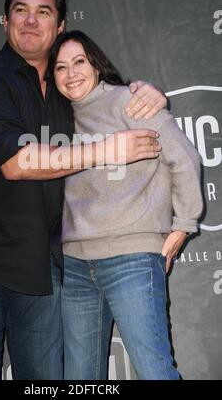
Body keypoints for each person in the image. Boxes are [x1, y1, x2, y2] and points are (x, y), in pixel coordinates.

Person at [0, 0, 166, 380]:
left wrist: (144, 92)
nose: (30, 20)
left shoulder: (68, 89)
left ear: (59, 25)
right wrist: (110, 150)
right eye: (20, 10)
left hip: (43, 266)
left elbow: (109, 101)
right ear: (5, 20)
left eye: (43, 12)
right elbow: (17, 162)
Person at [49, 30, 203, 380]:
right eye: (60, 67)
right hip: (74, 266)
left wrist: (183, 225)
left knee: (154, 372)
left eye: (79, 62)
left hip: (131, 259)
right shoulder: (56, 119)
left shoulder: (129, 102)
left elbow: (184, 158)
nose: (70, 73)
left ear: (96, 65)